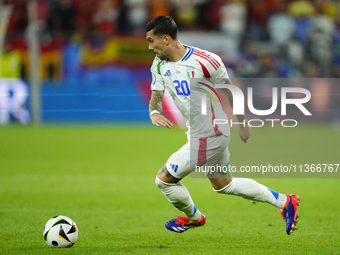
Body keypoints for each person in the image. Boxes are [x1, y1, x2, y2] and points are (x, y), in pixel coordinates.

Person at [146, 16, 300, 235]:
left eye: (152, 41)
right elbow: (156, 94)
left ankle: (193, 218)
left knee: (164, 181)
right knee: (223, 184)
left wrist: (243, 122)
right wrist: (154, 112)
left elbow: (230, 90)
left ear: (167, 39)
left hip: (210, 134)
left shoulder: (206, 60)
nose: (150, 47)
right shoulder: (159, 65)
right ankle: (286, 202)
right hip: (199, 133)